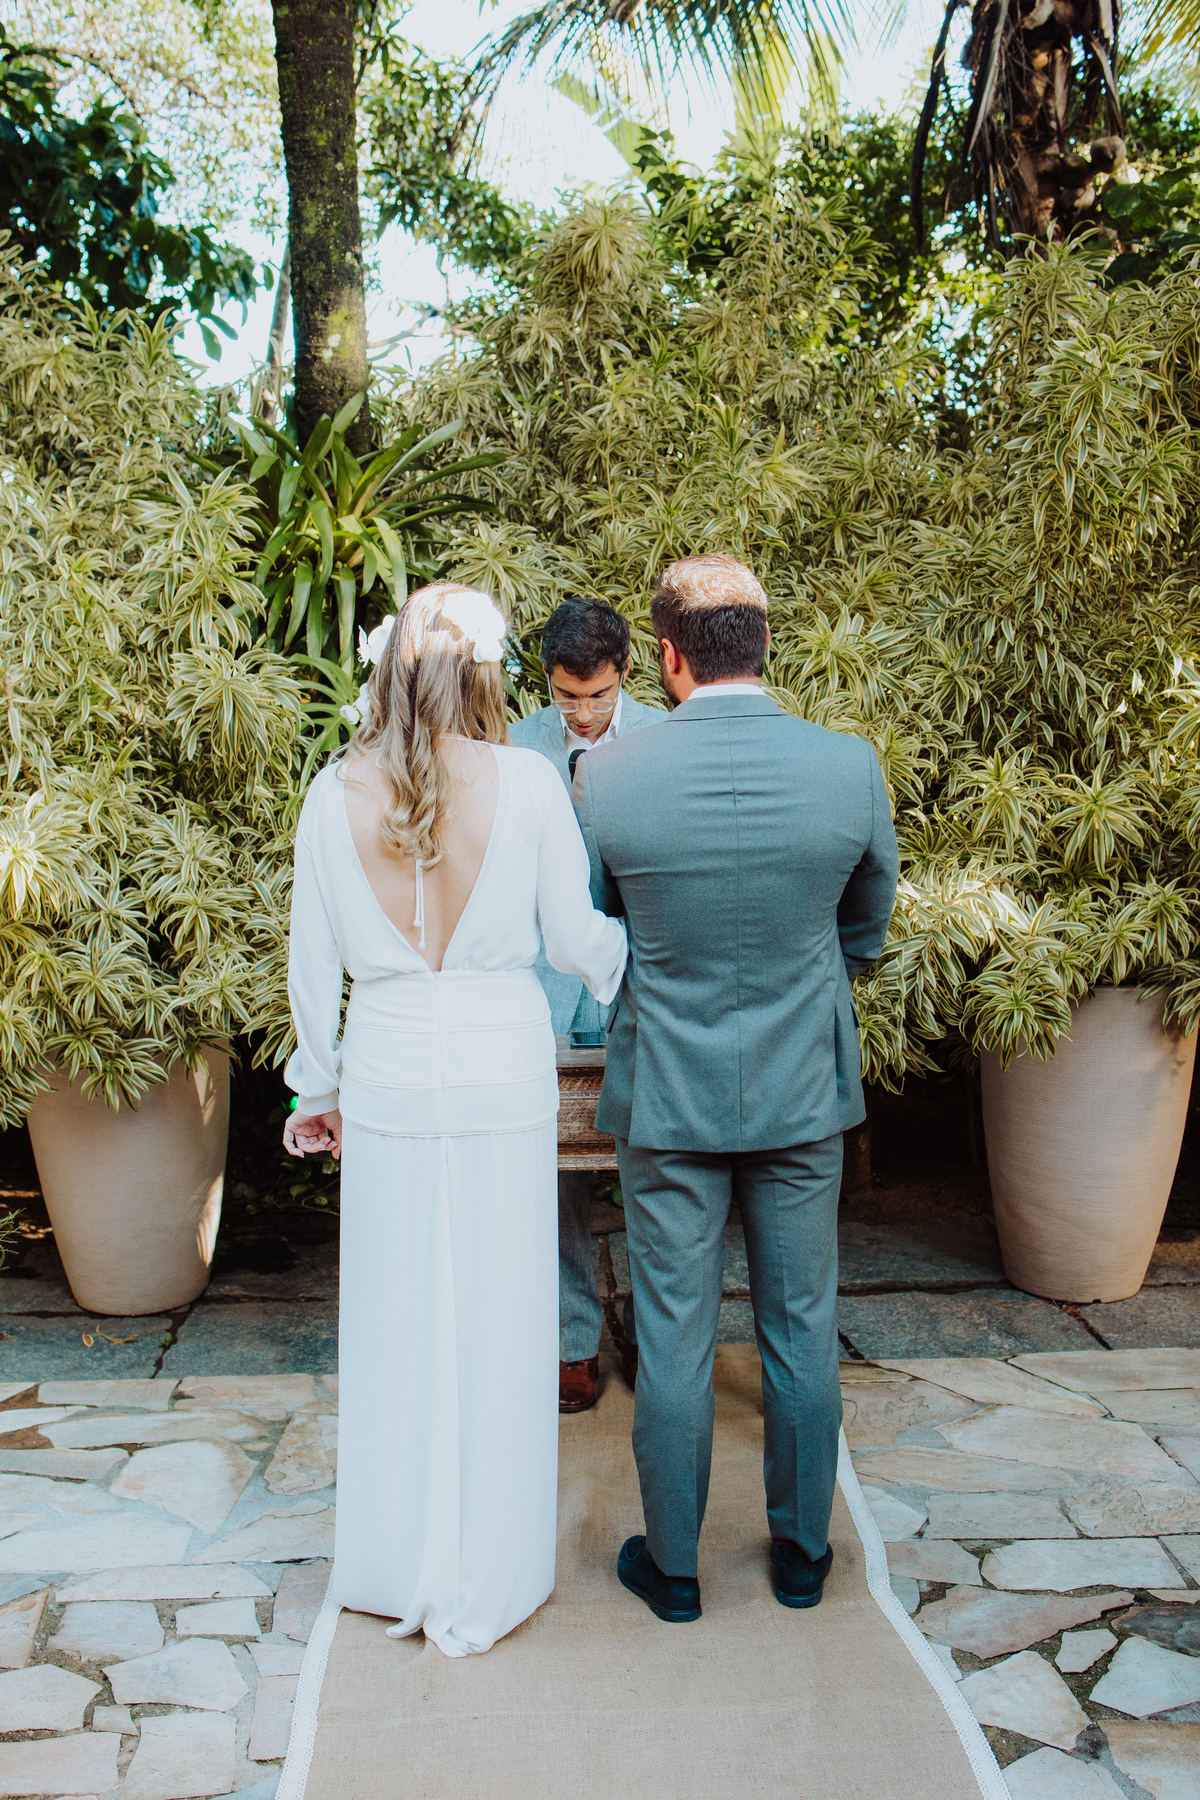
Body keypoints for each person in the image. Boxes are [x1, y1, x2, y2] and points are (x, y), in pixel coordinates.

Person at [282, 582, 627, 1658]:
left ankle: (393, 1561)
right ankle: (490, 1564)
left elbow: (310, 969)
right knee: (498, 1317)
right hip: (496, 1070)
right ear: (486, 676)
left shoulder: (330, 792)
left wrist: (319, 1084)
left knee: (397, 1317)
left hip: (388, 1071)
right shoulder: (525, 783)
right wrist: (657, 964)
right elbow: (578, 941)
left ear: (388, 672)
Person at [572, 553, 898, 1625]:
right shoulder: (849, 768)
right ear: (765, 641)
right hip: (803, 1085)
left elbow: (602, 915)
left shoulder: (608, 779)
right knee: (801, 1322)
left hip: (669, 1090)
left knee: (672, 1333)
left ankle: (673, 1572)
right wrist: (802, 981)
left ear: (665, 658)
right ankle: (803, 1558)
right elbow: (868, 927)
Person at [510, 598, 660, 1414]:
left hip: (640, 984)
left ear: (625, 673)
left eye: (597, 695)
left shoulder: (663, 742)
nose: (583, 712)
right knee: (552, 1182)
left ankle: (652, 1331)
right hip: (539, 987)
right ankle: (572, 1342)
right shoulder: (516, 746)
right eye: (569, 696)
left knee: (653, 1168)